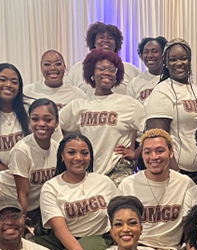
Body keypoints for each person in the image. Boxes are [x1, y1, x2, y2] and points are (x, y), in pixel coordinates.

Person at [37, 133, 118, 250]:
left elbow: (117, 214)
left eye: (84, 153)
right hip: (63, 237)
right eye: (72, 153)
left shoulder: (104, 182)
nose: (78, 158)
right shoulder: (51, 186)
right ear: (62, 156)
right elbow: (58, 227)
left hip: (97, 235)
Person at [59, 49, 146, 184]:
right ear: (91, 73)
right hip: (86, 170)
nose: (106, 72)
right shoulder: (78, 105)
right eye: (101, 68)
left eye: (112, 70)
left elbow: (152, 131)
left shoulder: (130, 104)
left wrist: (136, 153)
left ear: (117, 76)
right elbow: (56, 125)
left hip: (118, 171)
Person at [118, 129, 195, 250]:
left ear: (171, 153)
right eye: (147, 152)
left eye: (160, 151)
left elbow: (191, 226)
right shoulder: (128, 185)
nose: (154, 157)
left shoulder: (185, 183)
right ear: (142, 155)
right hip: (136, 247)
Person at [0, 98, 58, 232]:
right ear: (29, 122)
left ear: (56, 123)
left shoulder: (57, 148)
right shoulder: (22, 150)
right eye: (35, 119)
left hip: (32, 205)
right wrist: (20, 227)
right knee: (12, 242)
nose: (41, 124)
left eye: (47, 119)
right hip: (5, 198)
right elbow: (23, 194)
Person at [145, 38, 197, 183]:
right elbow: (159, 138)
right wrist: (175, 174)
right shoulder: (162, 91)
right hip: (178, 172)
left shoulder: (195, 89)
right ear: (166, 63)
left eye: (184, 58)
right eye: (173, 59)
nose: (179, 63)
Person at [67, 22, 141, 97]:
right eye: (101, 37)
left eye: (110, 38)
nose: (106, 40)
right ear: (93, 43)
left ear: (116, 44)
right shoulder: (77, 68)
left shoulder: (130, 69)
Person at [0, 63, 29, 177]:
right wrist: (17, 179)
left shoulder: (29, 109)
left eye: (14, 82)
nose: (8, 85)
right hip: (4, 180)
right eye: (3, 80)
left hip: (33, 178)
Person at [23, 50, 87, 113]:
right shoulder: (27, 91)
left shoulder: (78, 94)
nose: (53, 68)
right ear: (41, 68)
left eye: (58, 64)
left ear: (65, 67)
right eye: (47, 64)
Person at [127, 36, 167, 103]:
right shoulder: (134, 84)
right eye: (146, 52)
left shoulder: (173, 79)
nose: (150, 55)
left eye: (155, 51)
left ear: (164, 54)